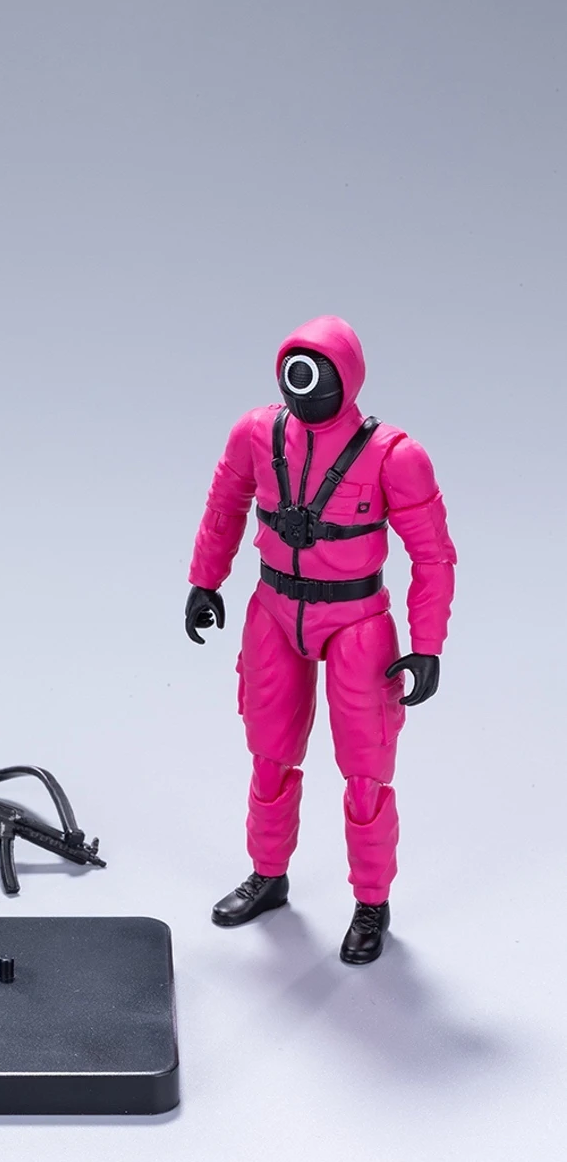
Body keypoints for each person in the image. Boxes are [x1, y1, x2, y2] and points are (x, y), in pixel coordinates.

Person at [185, 315, 456, 963]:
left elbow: (433, 555)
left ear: (348, 378)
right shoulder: (256, 433)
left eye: (318, 372)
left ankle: (371, 903)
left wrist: (427, 643)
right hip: (274, 610)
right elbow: (224, 504)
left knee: (366, 770)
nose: (303, 386)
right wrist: (204, 579)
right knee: (268, 752)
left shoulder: (395, 455)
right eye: (293, 371)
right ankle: (268, 874)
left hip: (356, 621)